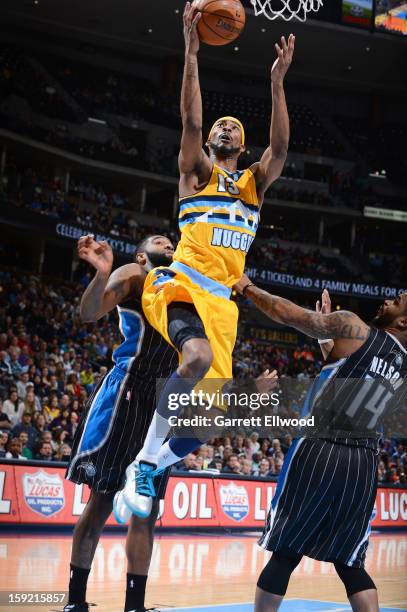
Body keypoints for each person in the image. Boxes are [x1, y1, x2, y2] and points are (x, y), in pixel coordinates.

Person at [126, 3, 294, 518]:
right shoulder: (195, 170)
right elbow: (191, 118)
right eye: (219, 126)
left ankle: (153, 460)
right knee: (194, 359)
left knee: (210, 422)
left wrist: (277, 84)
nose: (222, 129)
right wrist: (192, 51)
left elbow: (282, 147)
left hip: (222, 306)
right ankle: (144, 463)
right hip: (180, 285)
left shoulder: (252, 185)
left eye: (232, 128)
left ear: (243, 145)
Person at [233, 276, 407, 612]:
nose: (389, 298)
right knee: (351, 564)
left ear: (403, 320)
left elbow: (289, 314)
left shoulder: (353, 326)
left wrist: (247, 288)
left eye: (398, 300)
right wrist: (328, 337)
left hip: (321, 447)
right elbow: (352, 370)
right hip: (364, 462)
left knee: (285, 552)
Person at [64, 234, 177, 612]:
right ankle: (74, 601)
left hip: (161, 406)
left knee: (146, 510)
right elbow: (89, 312)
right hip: (127, 394)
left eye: (174, 241)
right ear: (144, 254)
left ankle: (135, 606)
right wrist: (101, 274)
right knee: (102, 500)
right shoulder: (136, 273)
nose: (171, 244)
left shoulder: (185, 287)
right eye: (162, 241)